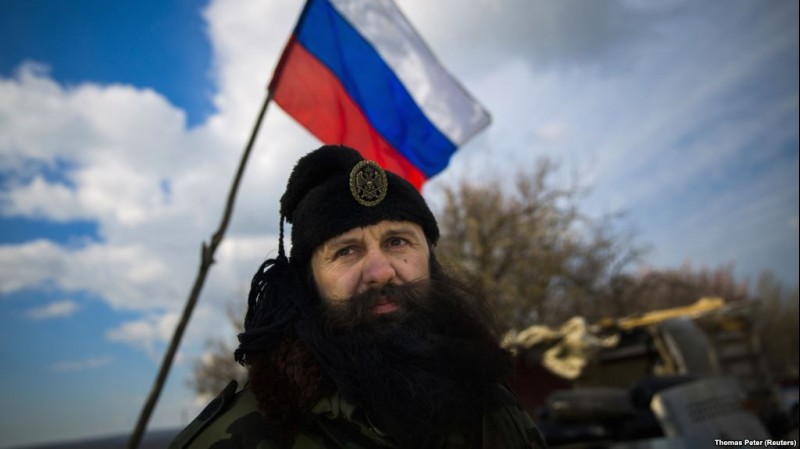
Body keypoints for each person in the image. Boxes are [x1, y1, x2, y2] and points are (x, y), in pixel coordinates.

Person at [169, 145, 546, 449]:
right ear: (308, 282)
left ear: (431, 259)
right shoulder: (244, 435)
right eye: (346, 251)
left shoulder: (492, 403)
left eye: (397, 242)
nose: (381, 272)